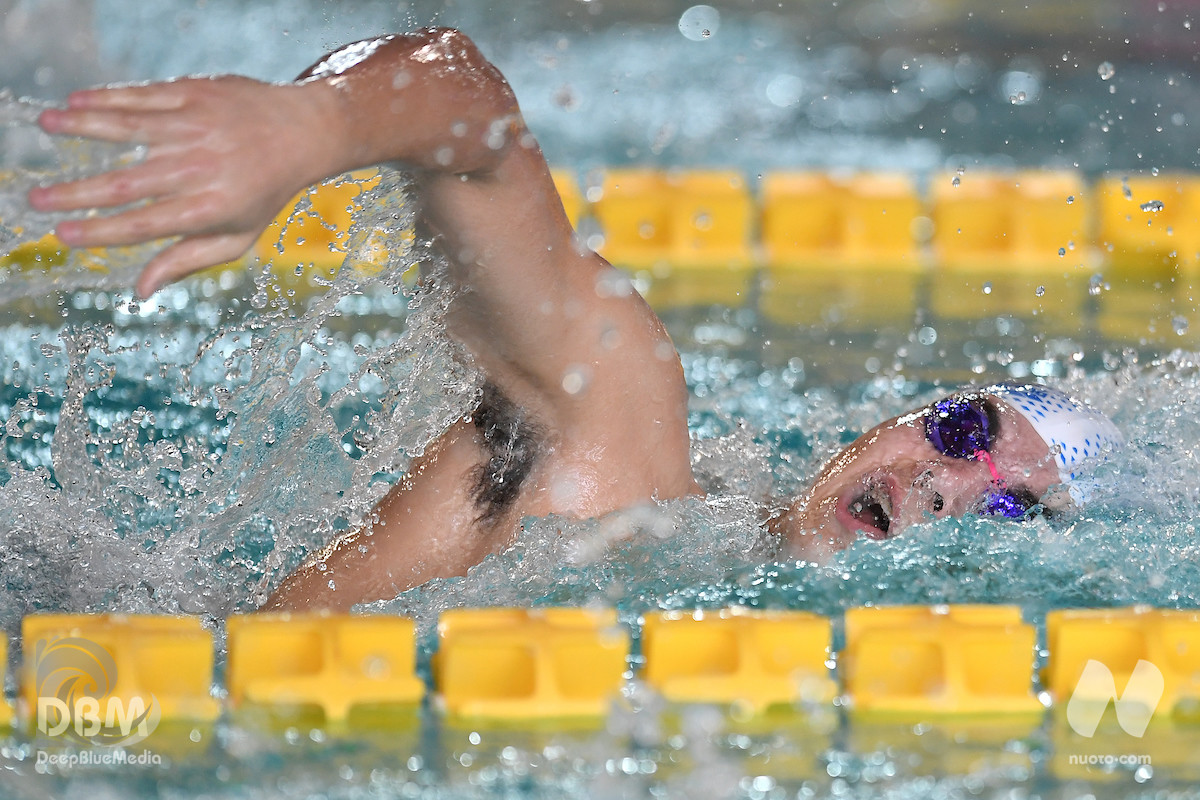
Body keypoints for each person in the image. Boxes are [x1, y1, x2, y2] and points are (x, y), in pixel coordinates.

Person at [25, 28, 1121, 611]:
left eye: (1013, 510)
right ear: (897, 418)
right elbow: (460, 93)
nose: (948, 480)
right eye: (966, 433)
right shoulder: (625, 449)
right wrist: (305, 130)